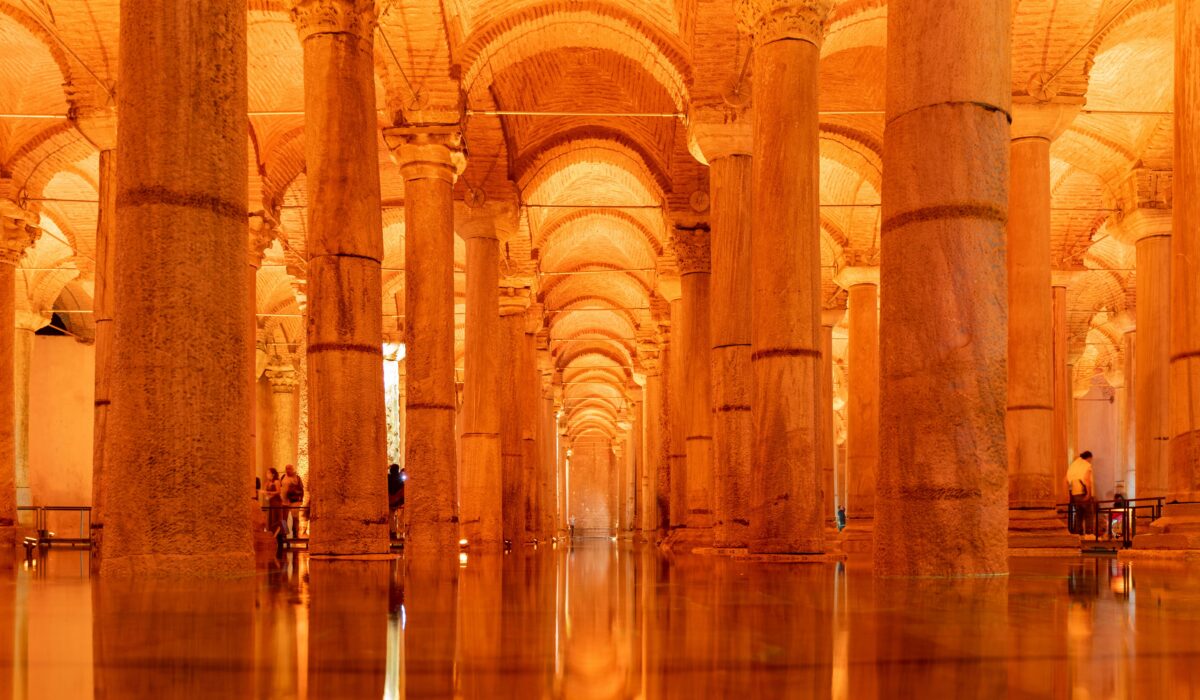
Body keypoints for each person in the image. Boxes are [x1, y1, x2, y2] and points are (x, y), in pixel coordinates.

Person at [1067, 451, 1096, 537]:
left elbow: (1067, 480)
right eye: (1091, 459)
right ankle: (1089, 533)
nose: (1091, 461)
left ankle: (1078, 532)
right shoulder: (1086, 465)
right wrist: (1089, 494)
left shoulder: (1074, 466)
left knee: (1079, 514)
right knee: (1089, 514)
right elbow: (1087, 480)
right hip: (1084, 493)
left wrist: (1069, 495)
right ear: (1089, 458)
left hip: (1075, 494)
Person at [280, 464, 305, 537]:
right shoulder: (283, 477)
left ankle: (295, 534)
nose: (288, 470)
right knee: (284, 518)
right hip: (284, 501)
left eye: (289, 469)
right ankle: (284, 534)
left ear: (293, 469)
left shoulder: (297, 478)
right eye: (286, 468)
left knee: (295, 518)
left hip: (294, 501)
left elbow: (301, 489)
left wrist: (301, 500)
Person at [264, 467, 284, 536]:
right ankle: (271, 534)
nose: (267, 474)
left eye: (268, 473)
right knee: (271, 519)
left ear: (273, 474)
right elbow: (267, 492)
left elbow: (278, 492)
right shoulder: (268, 482)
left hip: (276, 502)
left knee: (277, 519)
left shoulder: (276, 481)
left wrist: (269, 493)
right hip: (271, 503)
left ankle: (280, 534)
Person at [387, 464, 405, 539]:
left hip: (390, 501)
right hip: (399, 501)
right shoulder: (400, 478)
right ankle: (400, 532)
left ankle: (393, 532)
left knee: (391, 516)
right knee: (400, 517)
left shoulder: (388, 477)